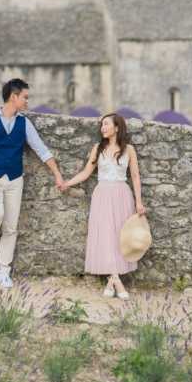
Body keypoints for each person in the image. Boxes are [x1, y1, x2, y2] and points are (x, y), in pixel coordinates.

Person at [0, 78, 64, 288]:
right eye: (25, 97)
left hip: (16, 180)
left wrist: (57, 174)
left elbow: (41, 149)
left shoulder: (24, 123)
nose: (27, 101)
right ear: (13, 97)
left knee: (11, 227)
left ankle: (2, 270)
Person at [61, 112, 145, 299]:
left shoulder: (129, 150)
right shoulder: (97, 148)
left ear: (117, 127)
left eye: (106, 124)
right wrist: (68, 183)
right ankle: (117, 281)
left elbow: (136, 177)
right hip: (102, 195)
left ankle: (111, 281)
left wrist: (139, 202)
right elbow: (86, 172)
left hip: (122, 194)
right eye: (101, 125)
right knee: (106, 235)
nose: (103, 128)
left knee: (119, 236)